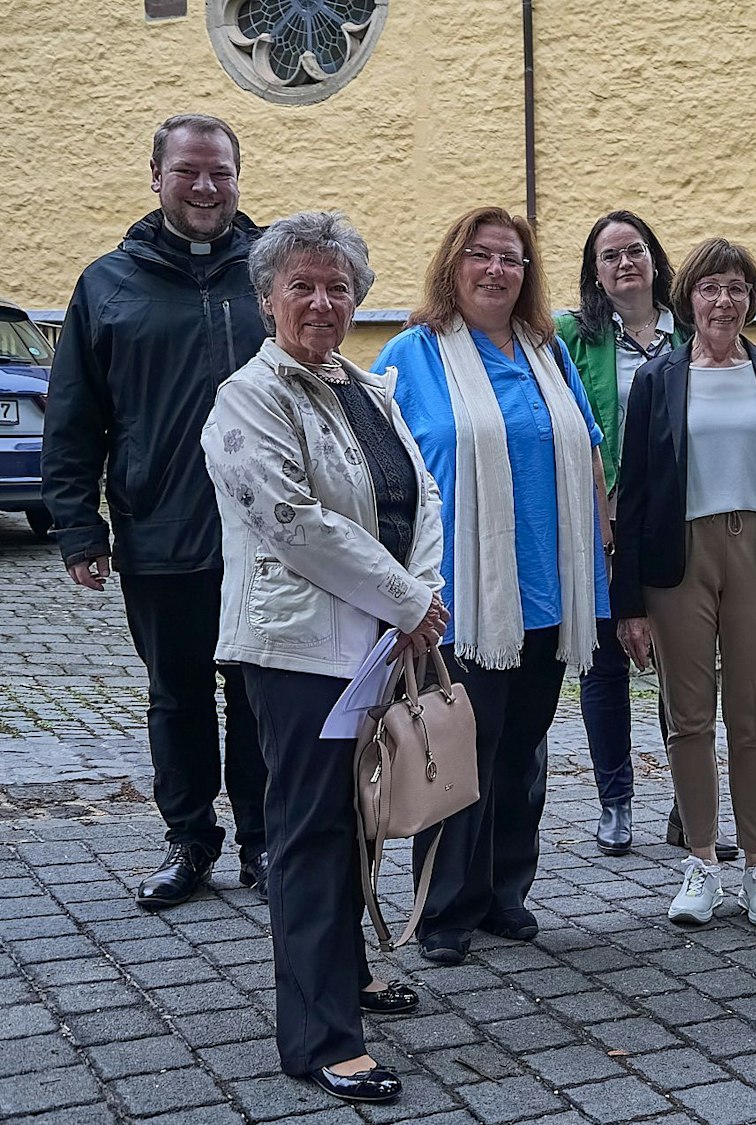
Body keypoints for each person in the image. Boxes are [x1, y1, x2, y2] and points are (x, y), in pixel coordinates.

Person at [202, 211, 442, 1106]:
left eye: (337, 286)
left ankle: (346, 975)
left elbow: (423, 495)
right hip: (295, 647)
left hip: (377, 642)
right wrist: (412, 600)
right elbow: (295, 523)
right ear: (266, 299)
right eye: (301, 284)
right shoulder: (247, 398)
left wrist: (420, 595)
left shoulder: (367, 389)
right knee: (307, 834)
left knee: (358, 821)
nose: (320, 300)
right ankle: (320, 1035)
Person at [41, 113, 270, 911]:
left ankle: (264, 839)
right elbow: (75, 416)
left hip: (268, 536)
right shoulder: (108, 283)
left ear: (239, 177)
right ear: (156, 177)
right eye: (188, 172)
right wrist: (78, 525)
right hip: (160, 531)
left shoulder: (273, 271)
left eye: (221, 172)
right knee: (176, 696)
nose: (206, 187)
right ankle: (189, 838)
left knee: (259, 693)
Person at [374, 206, 609, 966]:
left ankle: (507, 890)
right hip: (460, 598)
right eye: (480, 255)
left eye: (510, 258)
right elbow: (383, 473)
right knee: (456, 748)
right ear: (454, 264)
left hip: (546, 591)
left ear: (527, 273)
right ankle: (445, 907)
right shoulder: (414, 354)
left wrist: (606, 560)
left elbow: (589, 452)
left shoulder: (548, 351)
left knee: (521, 747)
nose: (496, 270)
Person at [613, 238, 756, 928]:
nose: (723, 301)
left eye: (736, 288)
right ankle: (702, 860)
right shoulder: (657, 380)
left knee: (754, 718)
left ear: (751, 299)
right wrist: (629, 602)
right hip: (679, 555)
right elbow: (632, 491)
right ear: (688, 298)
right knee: (688, 718)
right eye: (710, 288)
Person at [556, 210, 728, 859]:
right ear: (594, 273)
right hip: (600, 518)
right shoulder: (574, 336)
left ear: (655, 259)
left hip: (682, 521)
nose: (624, 263)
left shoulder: (694, 331)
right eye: (609, 256)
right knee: (605, 663)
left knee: (683, 664)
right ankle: (616, 802)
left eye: (634, 251)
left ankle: (690, 808)